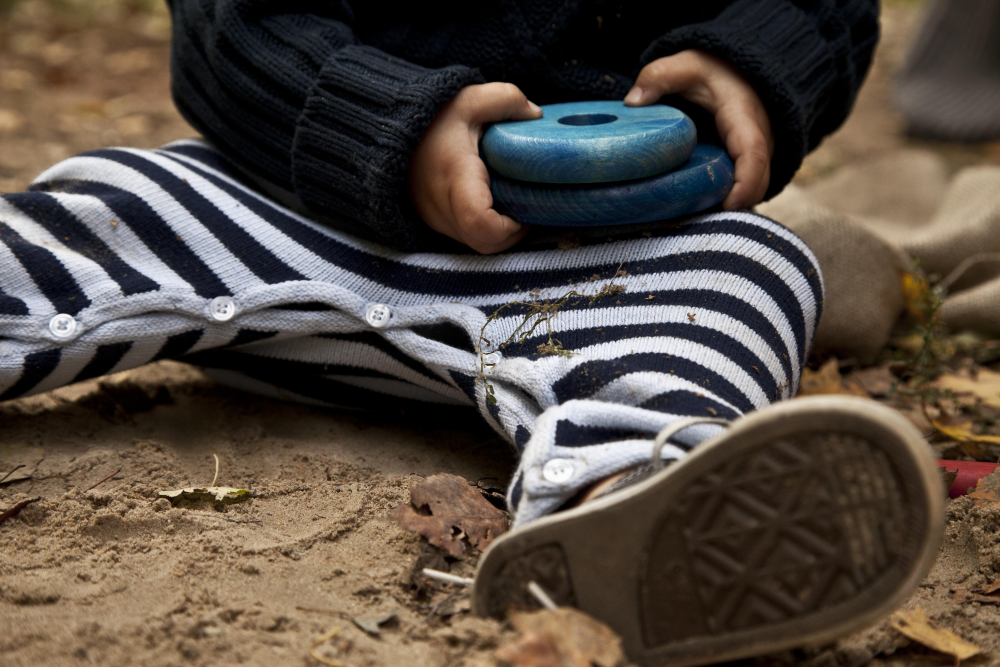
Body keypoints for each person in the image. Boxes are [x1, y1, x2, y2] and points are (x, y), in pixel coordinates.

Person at [0, 1, 943, 664]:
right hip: (308, 216)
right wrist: (381, 121)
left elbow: (824, 7)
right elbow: (229, 26)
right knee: (128, 199)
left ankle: (626, 498)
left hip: (601, 273)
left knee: (756, 267)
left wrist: (753, 57)